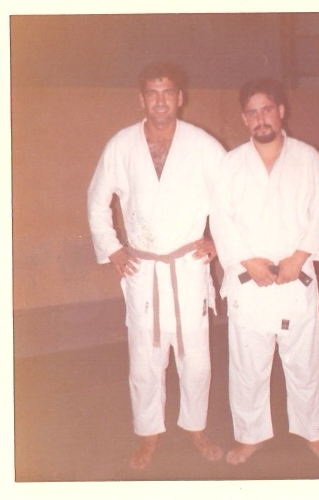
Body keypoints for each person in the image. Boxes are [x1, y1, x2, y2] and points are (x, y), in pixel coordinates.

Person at [87, 62, 226, 469]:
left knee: (195, 360)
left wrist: (218, 240)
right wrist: (113, 248)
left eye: (168, 92)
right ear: (142, 98)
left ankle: (196, 428)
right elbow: (97, 199)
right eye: (153, 92)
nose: (160, 100)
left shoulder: (203, 145)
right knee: (145, 361)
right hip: (143, 270)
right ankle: (148, 434)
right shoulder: (122, 145)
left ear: (180, 97)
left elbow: (231, 198)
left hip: (187, 267)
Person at [209, 78, 319, 465]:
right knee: (248, 366)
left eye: (267, 109)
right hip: (249, 282)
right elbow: (221, 220)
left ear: (281, 111)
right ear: (244, 119)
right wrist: (247, 261)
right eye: (252, 113)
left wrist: (299, 257)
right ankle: (251, 436)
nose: (260, 118)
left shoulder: (308, 158)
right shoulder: (231, 164)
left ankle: (313, 432)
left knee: (305, 363)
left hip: (296, 278)